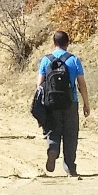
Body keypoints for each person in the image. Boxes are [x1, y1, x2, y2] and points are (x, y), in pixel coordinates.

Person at [37, 30, 90, 177]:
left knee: (53, 130)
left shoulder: (46, 60)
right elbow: (82, 84)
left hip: (51, 103)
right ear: (68, 43)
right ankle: (70, 167)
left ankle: (53, 149)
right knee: (71, 135)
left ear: (54, 43)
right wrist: (86, 103)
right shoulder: (74, 60)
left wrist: (40, 106)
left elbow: (40, 84)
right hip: (70, 102)